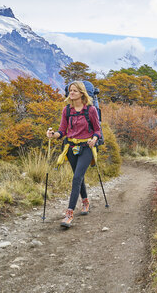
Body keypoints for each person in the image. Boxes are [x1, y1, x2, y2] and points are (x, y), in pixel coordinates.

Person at [46, 81, 101, 228]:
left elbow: (97, 130)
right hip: (70, 147)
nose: (71, 93)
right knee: (78, 176)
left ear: (82, 93)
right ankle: (85, 202)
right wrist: (53, 135)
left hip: (86, 148)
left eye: (75, 91)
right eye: (70, 90)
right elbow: (62, 131)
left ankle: (69, 213)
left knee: (76, 178)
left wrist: (94, 139)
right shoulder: (67, 110)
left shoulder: (91, 110)